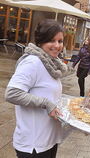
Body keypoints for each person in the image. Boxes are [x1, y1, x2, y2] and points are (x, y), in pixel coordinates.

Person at [4, 19, 72, 158]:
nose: (57, 45)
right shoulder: (33, 62)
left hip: (48, 141)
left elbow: (47, 93)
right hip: (33, 145)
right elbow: (12, 93)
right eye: (51, 41)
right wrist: (46, 103)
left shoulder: (52, 63)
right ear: (40, 41)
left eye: (60, 41)